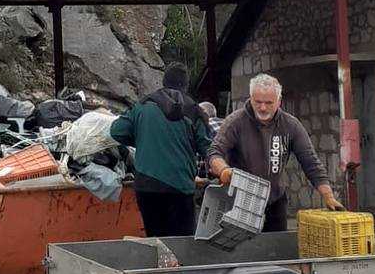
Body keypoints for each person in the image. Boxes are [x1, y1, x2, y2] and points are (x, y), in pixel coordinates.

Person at [208, 73, 344, 233]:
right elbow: (214, 152)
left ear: (279, 102)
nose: (263, 107)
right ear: (251, 98)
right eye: (258, 102)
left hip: (275, 200)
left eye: (268, 103)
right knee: (242, 250)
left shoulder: (291, 125)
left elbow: (311, 162)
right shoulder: (235, 122)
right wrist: (223, 171)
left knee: (275, 248)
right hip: (240, 199)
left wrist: (328, 195)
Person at [110, 63, 211, 237]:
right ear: (186, 85)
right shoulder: (195, 111)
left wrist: (140, 139)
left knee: (156, 241)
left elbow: (116, 131)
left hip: (147, 187)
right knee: (182, 244)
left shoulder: (143, 105)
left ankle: (159, 264)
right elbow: (207, 148)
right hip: (180, 188)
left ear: (163, 81)